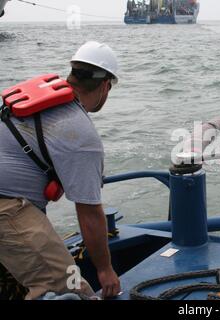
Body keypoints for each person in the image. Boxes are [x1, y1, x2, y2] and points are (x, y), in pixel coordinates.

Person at [0, 41, 121, 300]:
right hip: (5, 207)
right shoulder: (81, 135)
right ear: (105, 86)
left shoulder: (32, 98)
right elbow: (89, 212)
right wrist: (105, 269)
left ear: (72, 74)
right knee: (71, 289)